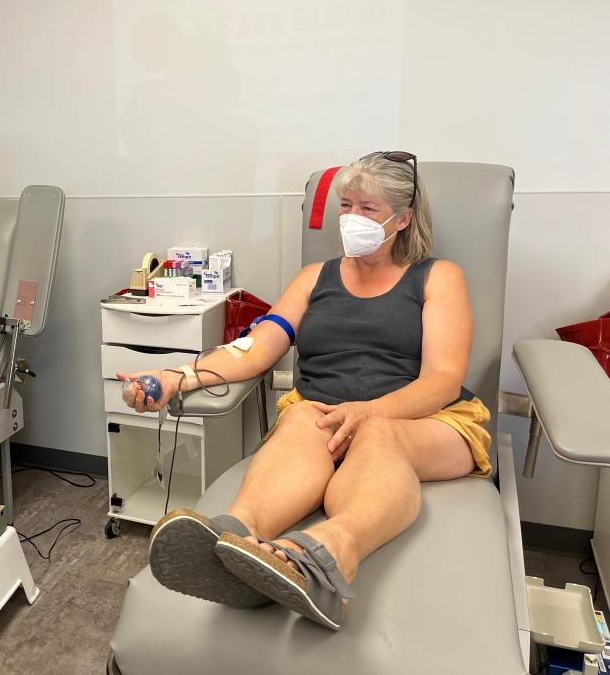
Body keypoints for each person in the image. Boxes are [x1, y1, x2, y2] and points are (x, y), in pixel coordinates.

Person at [119, 152, 492, 631]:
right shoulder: (316, 277)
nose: (351, 219)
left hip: (424, 420)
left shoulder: (438, 276)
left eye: (368, 209)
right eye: (346, 206)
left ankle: (330, 555)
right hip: (324, 413)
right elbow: (255, 348)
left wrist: (369, 412)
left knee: (380, 434)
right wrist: (180, 376)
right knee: (298, 419)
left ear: (403, 219)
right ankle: (234, 540)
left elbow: (441, 379)